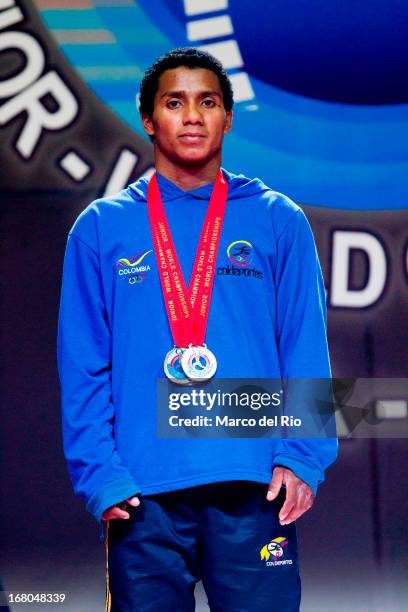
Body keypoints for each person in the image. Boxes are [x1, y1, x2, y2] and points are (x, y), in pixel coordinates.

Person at [57, 47, 337, 612]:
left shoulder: (277, 218)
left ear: (228, 117)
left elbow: (304, 346)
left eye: (207, 101)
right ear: (148, 119)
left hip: (255, 485)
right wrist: (100, 476)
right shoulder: (101, 229)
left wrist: (302, 456)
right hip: (141, 492)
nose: (191, 116)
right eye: (174, 102)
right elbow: (82, 364)